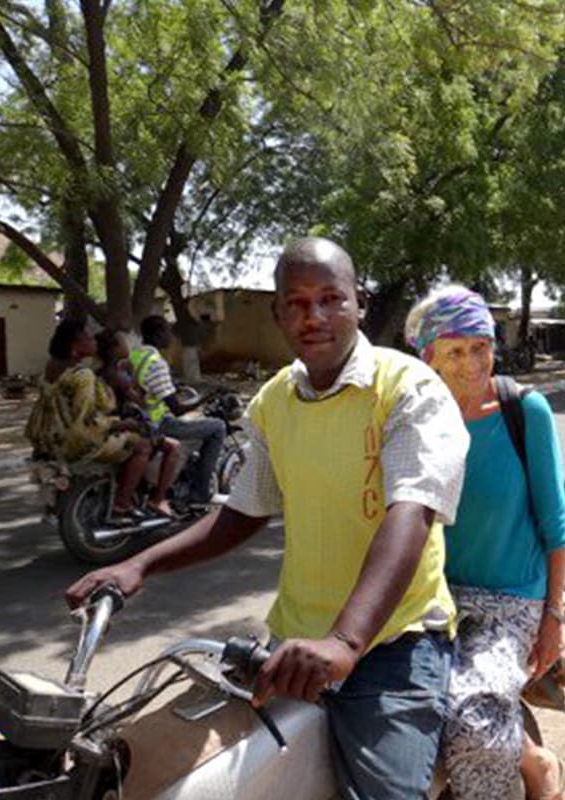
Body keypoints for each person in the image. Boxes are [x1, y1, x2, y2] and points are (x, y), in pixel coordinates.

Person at [66, 237, 470, 800]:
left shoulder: (408, 389)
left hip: (391, 648)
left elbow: (410, 513)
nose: (315, 316)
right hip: (291, 646)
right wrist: (139, 565)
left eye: (331, 299)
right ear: (279, 312)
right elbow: (241, 513)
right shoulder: (277, 400)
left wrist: (345, 643)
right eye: (298, 303)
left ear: (360, 302)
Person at [405, 286, 565, 800]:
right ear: (429, 357)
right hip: (433, 600)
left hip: (512, 603)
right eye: (454, 351)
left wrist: (552, 617)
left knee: (473, 720)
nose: (472, 362)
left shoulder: (524, 410)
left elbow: (556, 522)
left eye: (480, 346)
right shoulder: (414, 420)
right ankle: (527, 754)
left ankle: (538, 773)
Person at [25, 319, 153, 520]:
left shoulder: (50, 368)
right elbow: (87, 423)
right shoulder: (83, 375)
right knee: (143, 445)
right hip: (74, 443)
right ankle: (122, 504)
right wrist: (124, 424)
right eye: (89, 338)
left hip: (48, 440)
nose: (94, 342)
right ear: (75, 346)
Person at [129, 315, 225, 507]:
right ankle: (201, 492)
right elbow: (177, 409)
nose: (171, 337)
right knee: (217, 428)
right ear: (157, 335)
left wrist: (173, 385)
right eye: (167, 332)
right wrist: (209, 395)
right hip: (158, 423)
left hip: (138, 417)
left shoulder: (136, 355)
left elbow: (146, 384)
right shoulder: (157, 362)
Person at [95, 329, 181, 518]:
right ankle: (156, 499)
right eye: (123, 342)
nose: (128, 345)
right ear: (114, 349)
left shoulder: (103, 371)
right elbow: (140, 401)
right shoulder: (117, 375)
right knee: (172, 447)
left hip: (115, 423)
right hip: (123, 426)